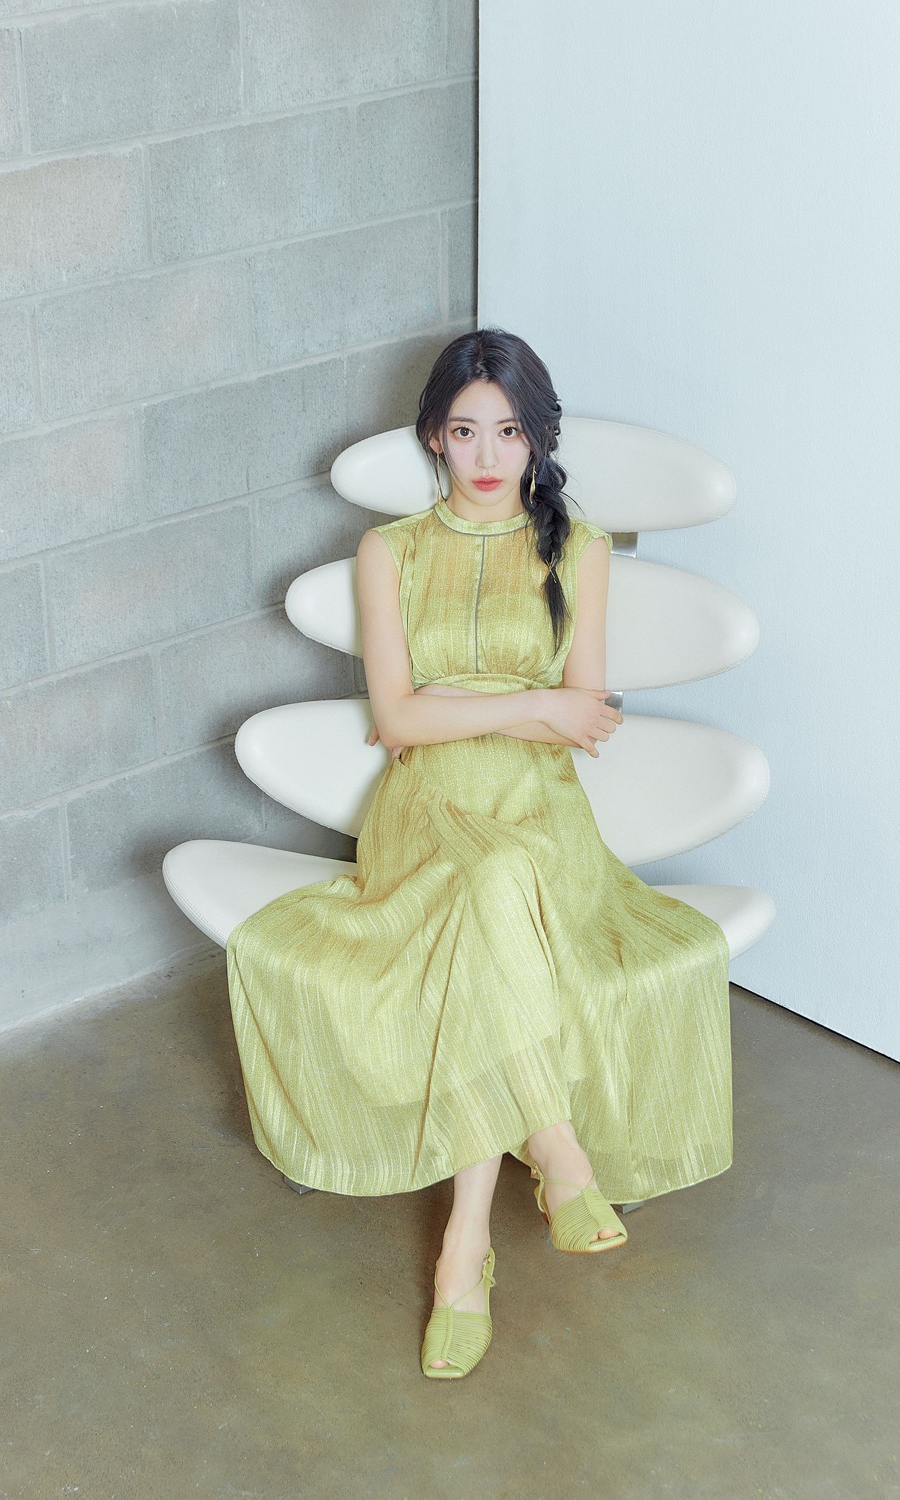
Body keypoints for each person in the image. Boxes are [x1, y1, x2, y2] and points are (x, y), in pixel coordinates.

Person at [225, 329, 732, 1380]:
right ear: (433, 438)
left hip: (542, 813)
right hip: (426, 807)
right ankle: (554, 1152)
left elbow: (584, 718)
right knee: (485, 883)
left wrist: (481, 701)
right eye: (465, 432)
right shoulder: (391, 552)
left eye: (508, 431)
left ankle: (466, 1248)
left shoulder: (578, 550)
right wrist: (528, 704)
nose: (488, 455)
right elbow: (400, 723)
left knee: (494, 893)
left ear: (537, 438)